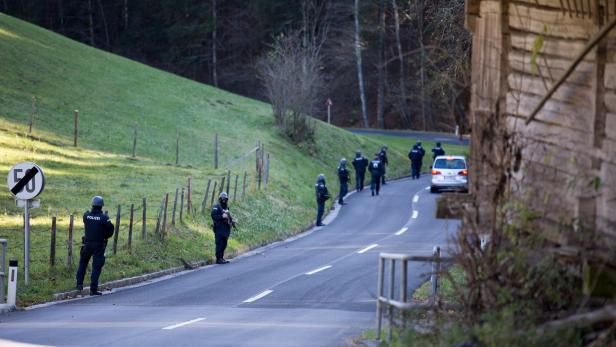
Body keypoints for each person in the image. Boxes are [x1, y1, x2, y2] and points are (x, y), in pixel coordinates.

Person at [76, 196, 114, 295]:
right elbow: (110, 231)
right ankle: (93, 289)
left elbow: (88, 223)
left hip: (87, 244)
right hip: (98, 245)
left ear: (92, 205)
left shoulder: (86, 216)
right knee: (96, 266)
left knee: (83, 263)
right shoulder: (104, 218)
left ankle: (79, 285)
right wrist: (104, 235)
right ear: (101, 206)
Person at [211, 192, 235, 264]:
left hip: (226, 229)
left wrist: (232, 221)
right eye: (223, 199)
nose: (224, 200)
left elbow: (228, 217)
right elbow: (213, 216)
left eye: (225, 199)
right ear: (220, 199)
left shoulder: (226, 208)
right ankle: (218, 259)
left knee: (224, 244)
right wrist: (222, 216)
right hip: (219, 229)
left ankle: (222, 257)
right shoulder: (217, 207)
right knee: (219, 244)